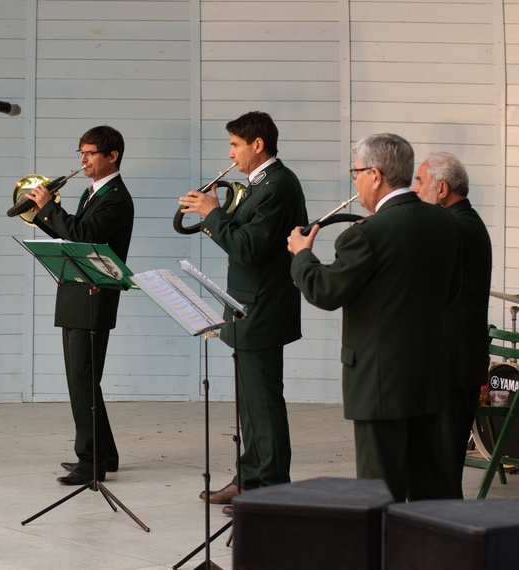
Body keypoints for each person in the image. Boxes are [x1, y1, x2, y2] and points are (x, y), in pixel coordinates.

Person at [287, 133, 461, 502]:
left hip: (378, 380)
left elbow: (324, 291)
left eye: (357, 172)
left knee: (379, 488)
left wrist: (302, 255)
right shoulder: (442, 222)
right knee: (429, 481)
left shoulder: (368, 234)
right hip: (427, 373)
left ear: (376, 175)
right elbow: (452, 290)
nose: (356, 180)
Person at [178, 111, 307, 515]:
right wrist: (218, 214)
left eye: (235, 145)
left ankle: (271, 488)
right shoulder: (260, 184)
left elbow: (249, 248)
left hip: (262, 307)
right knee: (249, 406)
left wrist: (213, 213)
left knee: (263, 403)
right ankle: (249, 478)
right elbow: (246, 239)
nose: (230, 153)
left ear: (257, 145)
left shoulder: (277, 185)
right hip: (246, 305)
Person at [25, 125, 134, 485]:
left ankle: (91, 462)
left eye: (90, 153)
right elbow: (71, 234)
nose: (83, 159)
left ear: (112, 156)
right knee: (83, 381)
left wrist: (49, 207)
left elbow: (85, 236)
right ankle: (106, 454)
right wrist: (47, 212)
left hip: (93, 296)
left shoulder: (116, 197)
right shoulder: (94, 193)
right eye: (81, 153)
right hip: (77, 295)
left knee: (83, 382)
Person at [413, 151, 492, 499]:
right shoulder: (463, 221)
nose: (414, 189)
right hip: (455, 357)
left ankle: (445, 545)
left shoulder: (455, 226)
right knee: (439, 463)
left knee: (442, 466)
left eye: (420, 182)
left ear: (441, 189)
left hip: (452, 360)